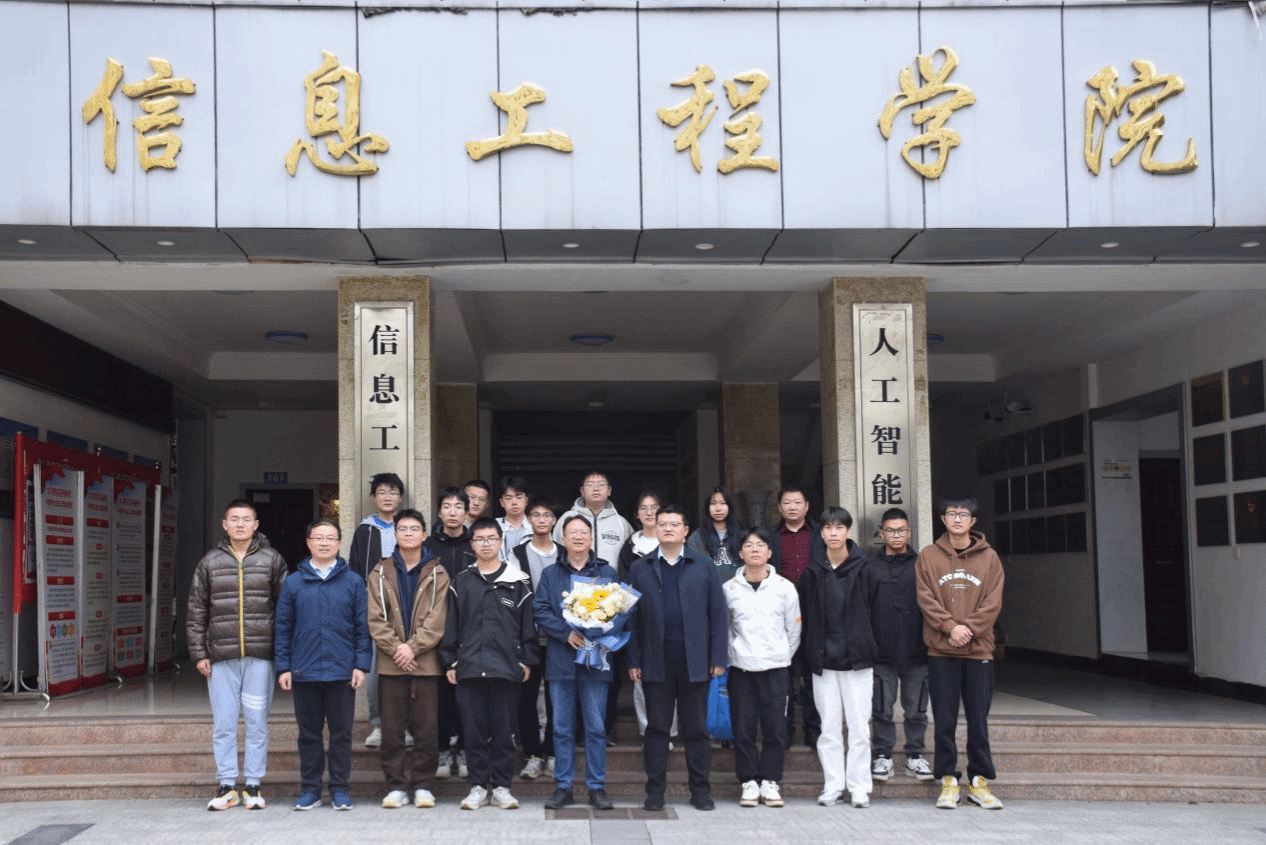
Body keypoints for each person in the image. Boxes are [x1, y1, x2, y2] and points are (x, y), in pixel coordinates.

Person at [186, 499, 288, 811]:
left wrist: (282, 655)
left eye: (246, 519)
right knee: (224, 723)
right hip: (221, 657)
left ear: (256, 525)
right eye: (234, 519)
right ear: (224, 524)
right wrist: (199, 653)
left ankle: (253, 784)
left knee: (257, 722)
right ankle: (227, 785)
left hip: (260, 657)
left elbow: (285, 610)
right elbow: (196, 610)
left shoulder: (271, 559)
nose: (240, 524)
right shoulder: (210, 562)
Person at [626, 505, 727, 812]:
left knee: (696, 729)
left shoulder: (703, 566)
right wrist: (633, 660)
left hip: (695, 661)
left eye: (674, 524)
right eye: (663, 524)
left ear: (685, 531)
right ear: (655, 529)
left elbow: (718, 614)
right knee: (657, 729)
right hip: (655, 661)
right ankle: (655, 791)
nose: (668, 528)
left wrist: (718, 656)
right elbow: (630, 619)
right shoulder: (640, 567)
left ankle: (701, 790)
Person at [440, 518, 537, 811]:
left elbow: (527, 627)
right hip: (469, 668)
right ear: (472, 544)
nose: (485, 544)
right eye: (479, 539)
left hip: (506, 669)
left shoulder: (518, 581)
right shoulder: (462, 581)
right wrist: (450, 661)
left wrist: (526, 659)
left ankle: (503, 788)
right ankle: (478, 787)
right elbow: (452, 625)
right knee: (474, 732)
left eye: (491, 539)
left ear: (500, 542)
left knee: (504, 733)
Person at [274, 519, 372, 811]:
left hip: (342, 672)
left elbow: (362, 628)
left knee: (341, 735)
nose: (324, 542)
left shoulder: (353, 581)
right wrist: (283, 667)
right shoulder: (294, 582)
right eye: (318, 537)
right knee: (309, 736)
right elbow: (283, 628)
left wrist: (361, 665)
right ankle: (310, 790)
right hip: (304, 671)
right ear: (308, 543)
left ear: (340, 543)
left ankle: (340, 789)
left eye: (330, 537)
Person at [916, 497, 1006, 811]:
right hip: (941, 651)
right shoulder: (928, 556)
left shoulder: (990, 558)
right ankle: (948, 781)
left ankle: (979, 782)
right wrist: (950, 627)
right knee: (944, 721)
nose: (957, 519)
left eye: (963, 514)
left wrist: (968, 629)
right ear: (942, 519)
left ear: (973, 521)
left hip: (979, 651)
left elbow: (993, 602)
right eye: (951, 514)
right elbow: (925, 598)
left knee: (978, 721)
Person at [367, 509, 450, 810]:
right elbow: (375, 619)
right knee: (392, 731)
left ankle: (424, 785)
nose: (409, 534)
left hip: (425, 663)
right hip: (391, 664)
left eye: (414, 529)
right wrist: (397, 649)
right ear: (395, 534)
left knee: (427, 729)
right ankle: (396, 786)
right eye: (403, 529)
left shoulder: (438, 573)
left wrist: (412, 648)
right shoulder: (379, 572)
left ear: (424, 534)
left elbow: (438, 620)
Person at [798, 506, 880, 809]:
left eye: (839, 527)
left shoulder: (866, 569)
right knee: (829, 729)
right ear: (821, 533)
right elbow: (805, 616)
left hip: (857, 660)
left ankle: (859, 787)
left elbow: (878, 613)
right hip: (823, 662)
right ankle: (833, 785)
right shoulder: (812, 572)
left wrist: (871, 647)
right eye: (828, 528)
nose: (833, 533)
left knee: (859, 728)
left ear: (848, 531)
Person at [533, 515, 617, 811]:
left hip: (595, 662)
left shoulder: (607, 572)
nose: (578, 537)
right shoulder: (551, 574)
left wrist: (600, 629)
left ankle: (596, 787)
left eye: (583, 532)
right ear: (563, 539)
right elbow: (540, 610)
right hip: (561, 661)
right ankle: (563, 786)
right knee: (562, 728)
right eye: (573, 533)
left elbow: (618, 612)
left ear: (591, 539)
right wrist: (565, 632)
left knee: (596, 728)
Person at [723, 527, 800, 809]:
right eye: (748, 545)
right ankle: (748, 781)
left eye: (760, 545)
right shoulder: (729, 589)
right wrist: (734, 655)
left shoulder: (784, 587)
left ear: (769, 552)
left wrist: (781, 655)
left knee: (775, 728)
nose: (754, 549)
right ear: (740, 553)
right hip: (741, 669)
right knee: (742, 728)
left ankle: (770, 780)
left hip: (776, 669)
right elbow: (726, 629)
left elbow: (794, 628)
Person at [869, 507, 933, 784]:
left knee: (916, 709)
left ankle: (915, 755)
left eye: (901, 530)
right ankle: (882, 755)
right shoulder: (869, 566)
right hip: (881, 652)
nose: (896, 535)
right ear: (881, 533)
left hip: (917, 650)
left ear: (909, 532)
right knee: (881, 708)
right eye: (890, 530)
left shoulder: (923, 565)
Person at [348, 472, 405, 749]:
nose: (387, 497)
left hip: (405, 608)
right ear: (374, 497)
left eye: (393, 492)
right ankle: (378, 724)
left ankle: (405, 725)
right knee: (373, 671)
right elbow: (355, 570)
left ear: (400, 497)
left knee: (405, 666)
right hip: (373, 608)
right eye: (382, 492)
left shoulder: (408, 526)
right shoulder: (365, 530)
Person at [426, 486, 475, 779]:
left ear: (467, 512)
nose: (453, 512)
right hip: (437, 629)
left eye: (458, 507)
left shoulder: (476, 542)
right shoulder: (428, 546)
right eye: (447, 506)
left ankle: (466, 749)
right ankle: (444, 749)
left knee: (468, 695)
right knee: (442, 696)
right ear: (439, 512)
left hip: (472, 629)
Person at [770, 484, 823, 749]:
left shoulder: (820, 534)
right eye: (787, 503)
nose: (792, 507)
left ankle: (814, 731)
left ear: (807, 506)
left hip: (814, 612)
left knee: (814, 674)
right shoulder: (769, 537)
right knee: (783, 674)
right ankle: (785, 730)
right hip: (780, 614)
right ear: (779, 508)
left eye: (797, 502)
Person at [511, 495, 561, 782]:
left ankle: (552, 753)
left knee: (557, 698)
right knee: (525, 699)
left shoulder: (564, 553)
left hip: (559, 639)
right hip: (528, 638)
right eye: (536, 515)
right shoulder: (517, 554)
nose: (542, 520)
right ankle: (531, 755)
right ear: (528, 520)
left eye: (547, 515)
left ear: (554, 521)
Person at [614, 490, 666, 742]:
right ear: (636, 514)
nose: (649, 513)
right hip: (641, 617)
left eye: (654, 507)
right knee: (641, 677)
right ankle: (648, 732)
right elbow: (625, 585)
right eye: (644, 508)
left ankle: (668, 731)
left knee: (670, 678)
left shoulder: (672, 541)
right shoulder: (630, 547)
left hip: (670, 617)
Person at [554, 471, 633, 565]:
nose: (596, 489)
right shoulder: (567, 518)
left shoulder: (621, 523)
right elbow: (555, 550)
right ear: (582, 491)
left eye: (601, 484)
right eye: (590, 485)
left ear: (609, 491)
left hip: (611, 574)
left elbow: (629, 557)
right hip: (574, 574)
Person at [687, 485, 742, 585]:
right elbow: (694, 572)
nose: (718, 509)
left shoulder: (742, 535)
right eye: (713, 503)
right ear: (707, 507)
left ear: (729, 506)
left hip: (738, 591)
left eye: (723, 503)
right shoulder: (696, 538)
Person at [496, 475, 532, 560]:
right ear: (502, 502)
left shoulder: (536, 526)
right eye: (509, 498)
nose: (514, 502)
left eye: (519, 497)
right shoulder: (493, 526)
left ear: (526, 500)